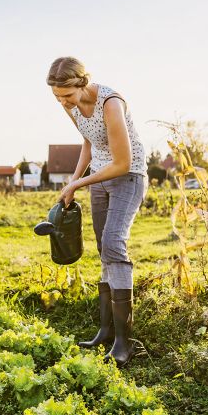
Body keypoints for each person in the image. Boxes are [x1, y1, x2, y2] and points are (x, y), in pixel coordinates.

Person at [47, 57, 147, 367]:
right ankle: (105, 330)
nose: (63, 102)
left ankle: (123, 341)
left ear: (82, 83)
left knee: (115, 242)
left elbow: (122, 162)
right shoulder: (70, 104)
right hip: (100, 179)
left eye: (67, 95)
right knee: (104, 248)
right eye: (57, 97)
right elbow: (88, 143)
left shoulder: (111, 104)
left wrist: (80, 182)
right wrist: (74, 182)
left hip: (128, 177)